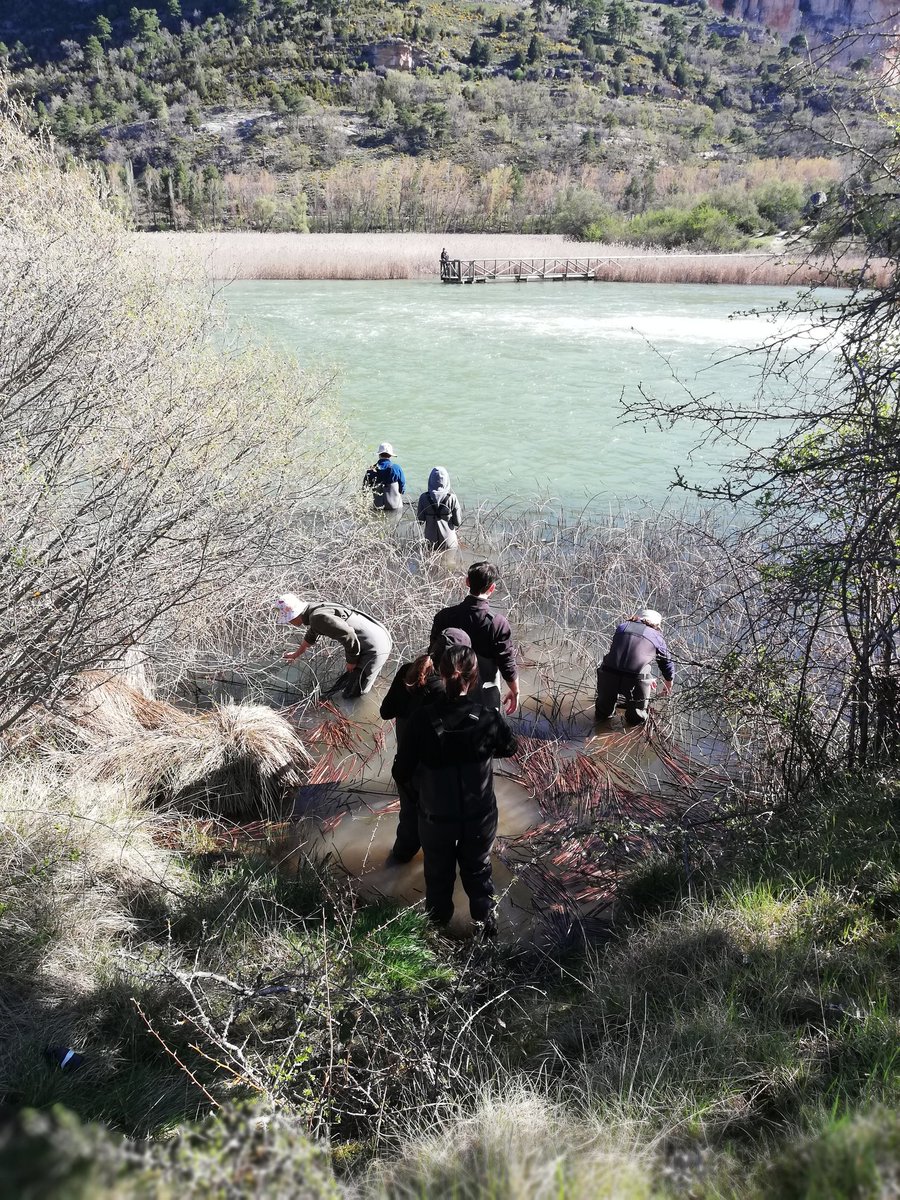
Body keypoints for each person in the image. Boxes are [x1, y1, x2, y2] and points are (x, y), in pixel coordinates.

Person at [393, 645, 518, 933]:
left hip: (436, 818)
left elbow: (401, 772)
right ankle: (487, 939)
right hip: (480, 818)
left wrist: (418, 798)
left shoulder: (422, 720)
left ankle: (435, 941)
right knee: (479, 876)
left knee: (437, 879)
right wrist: (481, 750)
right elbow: (510, 748)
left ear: (440, 673)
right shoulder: (488, 717)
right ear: (473, 679)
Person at [379, 628, 472, 863]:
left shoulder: (407, 671)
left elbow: (386, 711)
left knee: (408, 820)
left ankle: (396, 867)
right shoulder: (447, 690)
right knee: (439, 824)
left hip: (405, 765)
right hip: (430, 770)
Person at [429, 561, 519, 714]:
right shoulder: (497, 623)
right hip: (484, 697)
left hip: (447, 692)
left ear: (467, 582)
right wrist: (515, 692)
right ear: (492, 588)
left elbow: (432, 654)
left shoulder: (443, 616)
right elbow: (507, 665)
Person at [276, 593, 392, 697]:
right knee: (356, 681)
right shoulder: (314, 610)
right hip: (379, 634)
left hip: (374, 647)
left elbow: (349, 634)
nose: (288, 622)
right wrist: (296, 654)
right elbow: (312, 634)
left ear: (295, 615)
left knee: (354, 694)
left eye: (288, 619)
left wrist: (352, 661)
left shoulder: (317, 617)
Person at [594, 608, 674, 726]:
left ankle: (597, 731)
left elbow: (625, 655)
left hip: (607, 672)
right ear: (657, 624)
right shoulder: (656, 636)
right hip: (635, 678)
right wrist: (669, 682)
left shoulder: (622, 627)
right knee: (636, 718)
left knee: (603, 714)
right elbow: (666, 662)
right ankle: (631, 737)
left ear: (638, 617)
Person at [417, 466, 463, 551]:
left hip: (430, 541)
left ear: (430, 480)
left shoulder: (423, 497)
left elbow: (420, 520)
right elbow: (457, 522)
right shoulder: (452, 498)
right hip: (449, 542)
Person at [363, 442, 406, 516]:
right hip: (395, 506)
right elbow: (402, 487)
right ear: (390, 455)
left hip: (378, 507)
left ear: (379, 455)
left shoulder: (371, 470)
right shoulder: (396, 468)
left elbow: (365, 489)